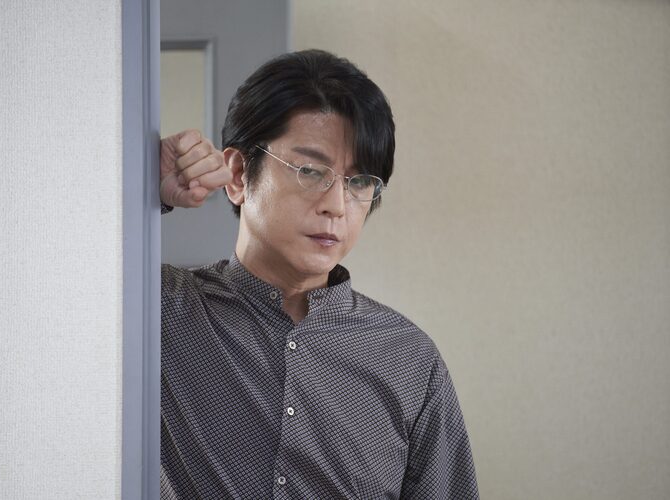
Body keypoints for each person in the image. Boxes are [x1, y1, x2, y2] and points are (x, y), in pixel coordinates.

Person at [159, 49, 478, 499]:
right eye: (310, 171)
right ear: (239, 175)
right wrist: (132, 187)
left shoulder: (410, 360)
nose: (336, 205)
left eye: (359, 182)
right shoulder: (161, 312)